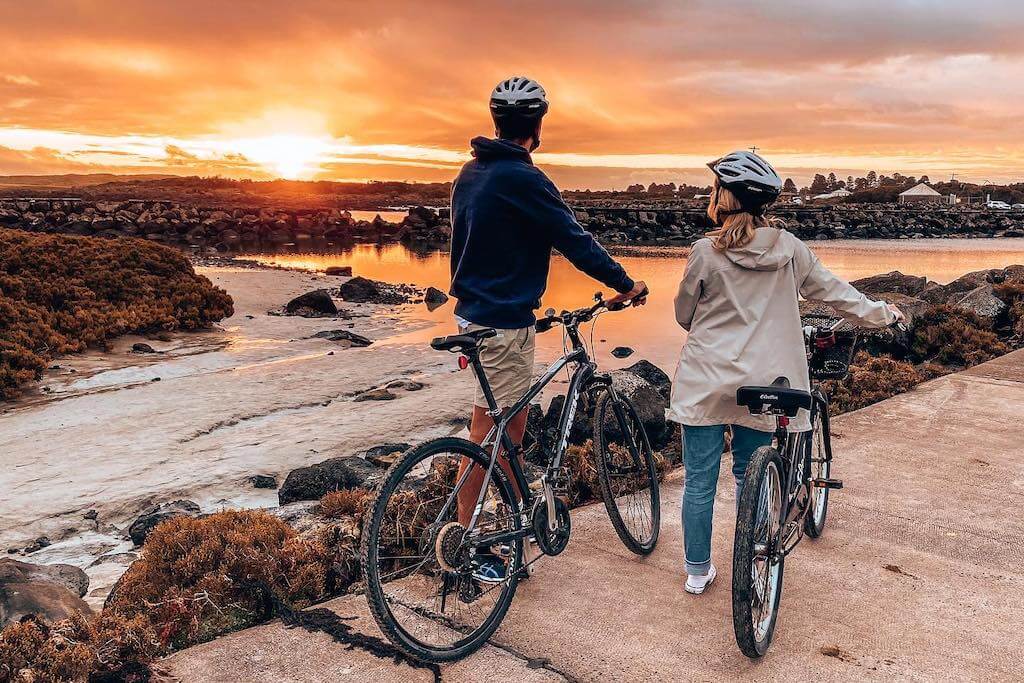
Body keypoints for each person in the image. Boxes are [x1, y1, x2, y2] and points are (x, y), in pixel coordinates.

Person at [669, 151, 903, 595]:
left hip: (706, 380)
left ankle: (697, 572)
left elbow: (685, 315)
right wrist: (883, 315)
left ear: (725, 197)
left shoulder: (704, 251)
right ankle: (754, 557)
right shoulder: (790, 249)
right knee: (747, 476)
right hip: (765, 381)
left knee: (699, 481)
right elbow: (838, 295)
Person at [449, 76, 648, 582]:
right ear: (537, 124)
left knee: (493, 431)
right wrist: (624, 285)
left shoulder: (470, 172)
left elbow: (469, 244)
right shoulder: (524, 179)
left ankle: (523, 522)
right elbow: (574, 241)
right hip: (504, 321)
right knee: (493, 437)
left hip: (473, 315)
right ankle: (466, 545)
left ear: (496, 120)